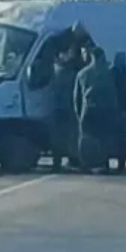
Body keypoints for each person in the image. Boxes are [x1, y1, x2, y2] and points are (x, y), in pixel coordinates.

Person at [74, 45, 117, 173]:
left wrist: (78, 113)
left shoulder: (82, 74)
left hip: (88, 110)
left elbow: (76, 98)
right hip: (105, 111)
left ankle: (87, 163)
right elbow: (112, 94)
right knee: (103, 139)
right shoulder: (108, 73)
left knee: (87, 138)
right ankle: (103, 163)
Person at [50, 41, 81, 172]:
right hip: (67, 107)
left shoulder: (58, 70)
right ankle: (68, 159)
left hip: (60, 107)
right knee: (68, 135)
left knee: (60, 136)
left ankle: (58, 161)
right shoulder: (69, 71)